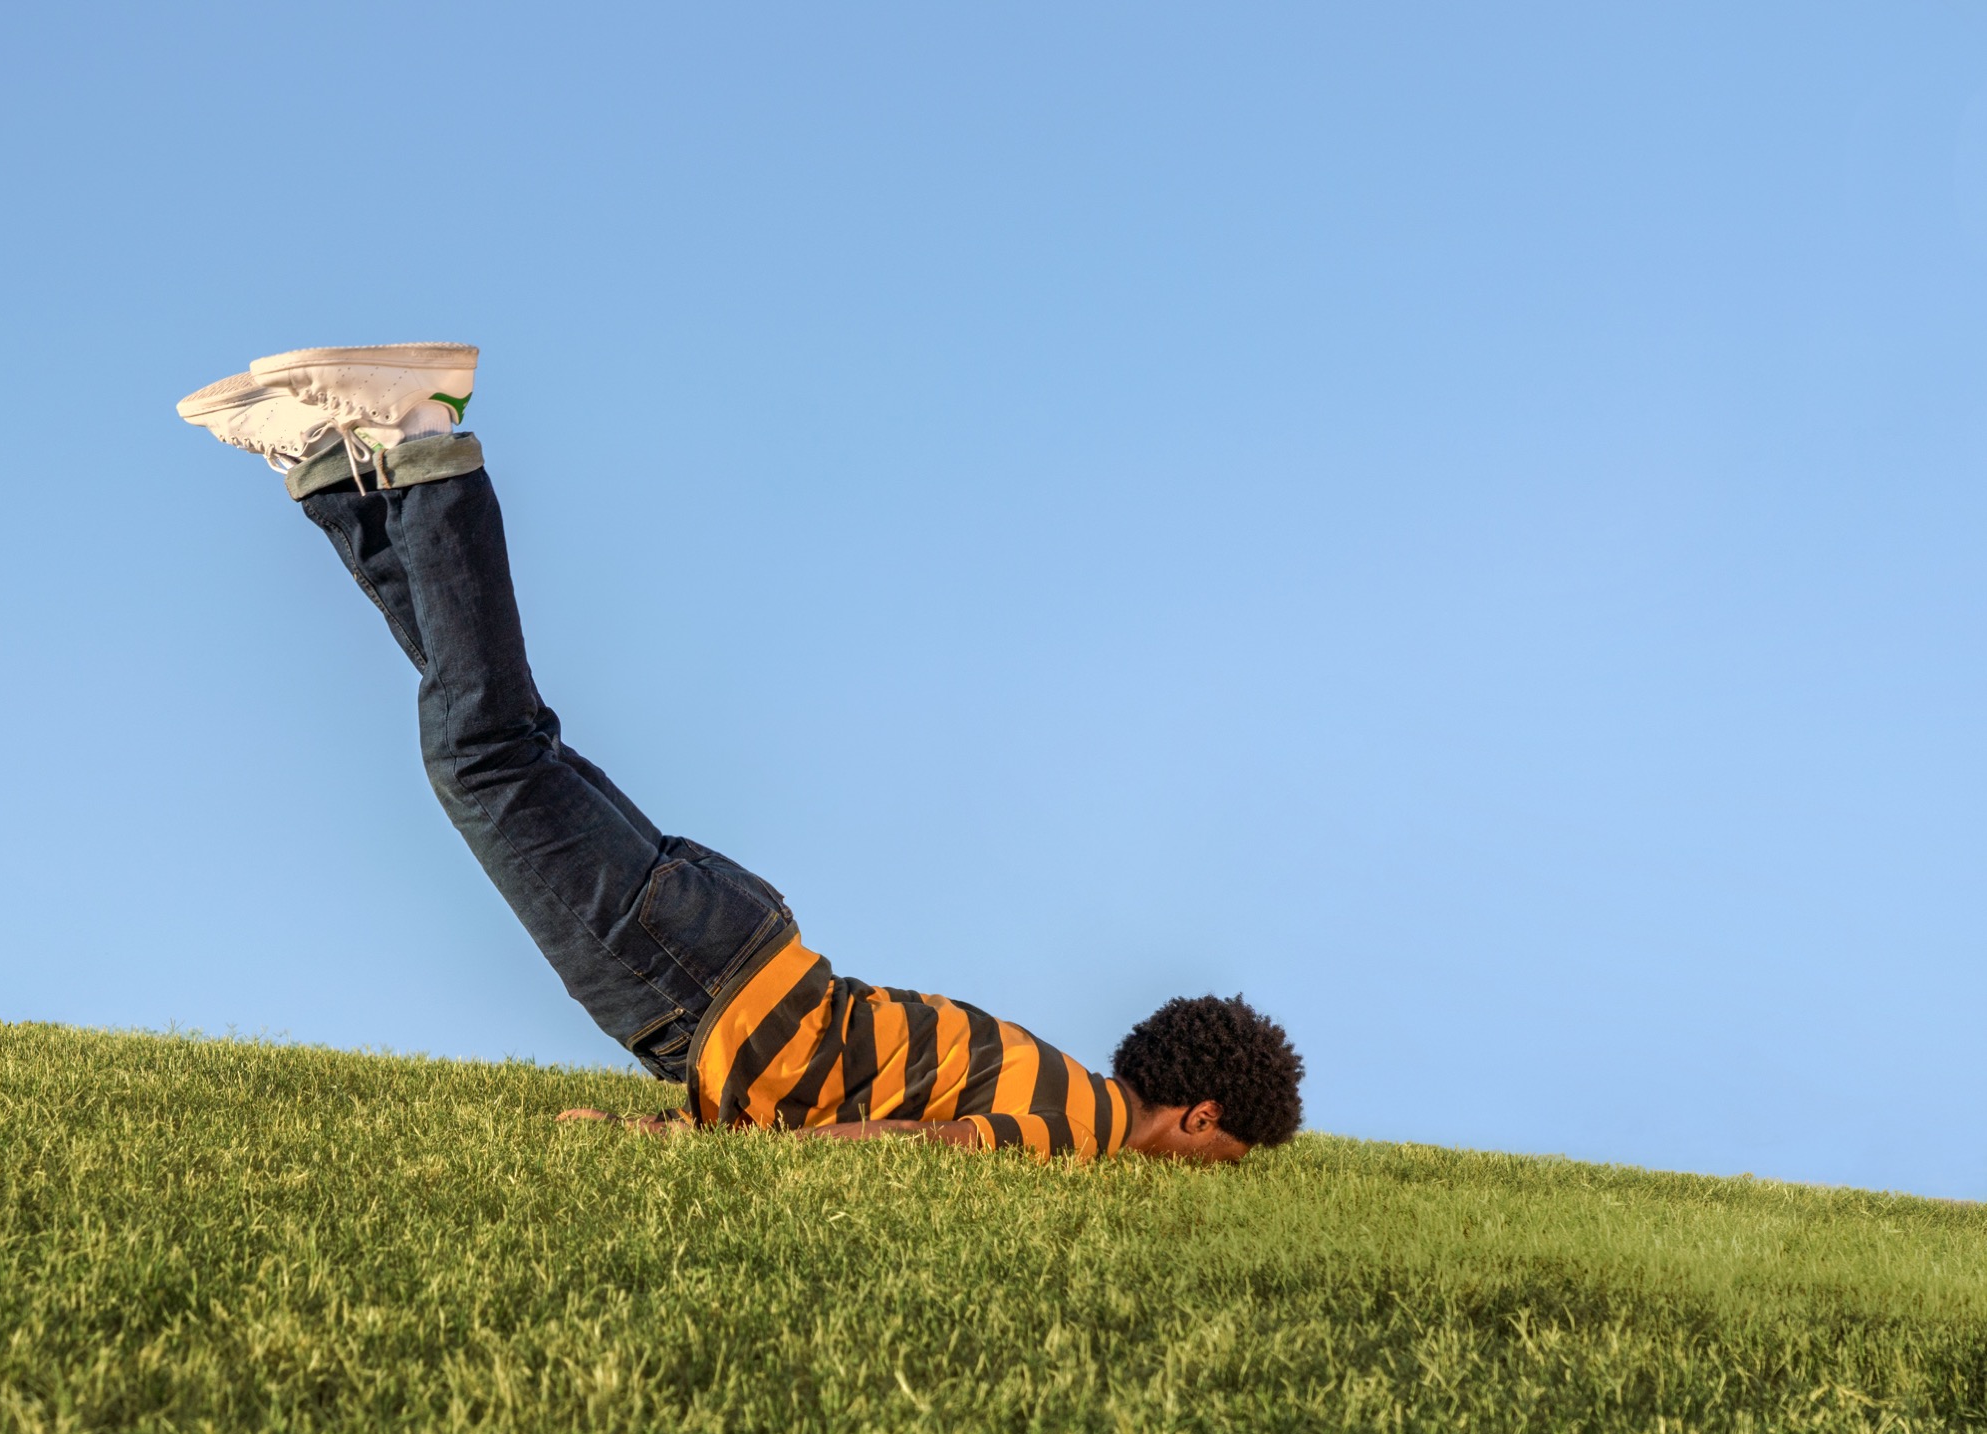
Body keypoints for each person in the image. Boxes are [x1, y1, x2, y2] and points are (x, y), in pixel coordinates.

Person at [177, 343, 1303, 1164]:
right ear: (1202, 1121)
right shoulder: (1086, 1131)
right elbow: (930, 1146)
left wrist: (661, 1129)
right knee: (481, 759)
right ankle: (425, 439)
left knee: (503, 740)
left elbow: (825, 1089)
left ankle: (337, 464)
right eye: (1231, 1167)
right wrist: (720, 1155)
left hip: (731, 950)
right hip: (700, 978)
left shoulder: (1053, 1069)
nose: (1219, 1184)